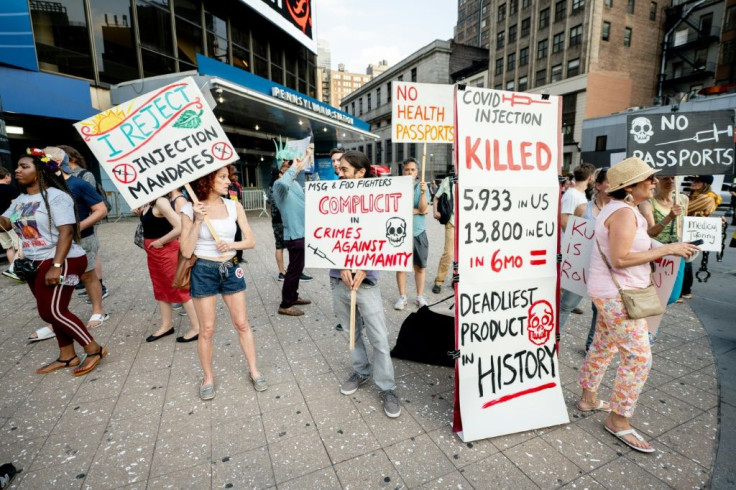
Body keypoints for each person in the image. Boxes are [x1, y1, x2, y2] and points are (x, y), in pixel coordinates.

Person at [577, 157, 699, 453]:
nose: (655, 182)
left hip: (610, 293)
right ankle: (618, 421)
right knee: (639, 358)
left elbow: (639, 244)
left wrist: (674, 248)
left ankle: (588, 398)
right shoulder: (624, 213)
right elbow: (620, 258)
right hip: (619, 294)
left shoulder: (623, 209)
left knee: (603, 346)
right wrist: (669, 247)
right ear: (630, 187)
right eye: (649, 179)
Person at [0, 149, 107, 376]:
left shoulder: (57, 197)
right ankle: (67, 355)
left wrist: (56, 266)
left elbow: (67, 231)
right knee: (49, 311)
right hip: (33, 261)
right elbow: (5, 225)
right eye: (17, 167)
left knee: (54, 311)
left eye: (24, 166)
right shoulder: (20, 200)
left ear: (40, 171)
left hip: (63, 259)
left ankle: (94, 349)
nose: (17, 170)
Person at [180, 166, 266, 400]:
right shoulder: (189, 209)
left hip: (230, 267)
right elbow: (186, 250)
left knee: (242, 324)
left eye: (228, 177)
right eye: (223, 177)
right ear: (207, 180)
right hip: (203, 270)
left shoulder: (233, 205)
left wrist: (231, 246)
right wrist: (197, 221)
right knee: (206, 329)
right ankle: (207, 377)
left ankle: (254, 370)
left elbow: (250, 241)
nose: (229, 182)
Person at [333, 150, 401, 418]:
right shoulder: (331, 197)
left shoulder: (379, 199)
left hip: (367, 281)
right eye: (339, 169)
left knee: (379, 338)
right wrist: (340, 267)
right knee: (351, 333)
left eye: (345, 169)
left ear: (361, 172)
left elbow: (387, 237)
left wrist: (365, 267)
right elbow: (324, 235)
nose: (339, 173)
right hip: (339, 279)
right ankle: (361, 371)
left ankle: (387, 387)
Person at [137, 192, 200, 343]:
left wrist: (161, 241)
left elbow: (180, 226)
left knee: (178, 287)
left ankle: (197, 327)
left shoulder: (160, 201)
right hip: (154, 253)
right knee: (160, 288)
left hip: (166, 252)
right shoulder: (149, 202)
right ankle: (166, 325)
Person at [559, 167, 610, 331]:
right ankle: (551, 342)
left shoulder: (619, 211)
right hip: (582, 267)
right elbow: (573, 235)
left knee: (600, 311)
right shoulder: (582, 208)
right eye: (610, 181)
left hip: (604, 268)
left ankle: (590, 347)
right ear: (598, 185)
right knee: (566, 304)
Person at [57, 145, 110, 301]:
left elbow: (92, 199)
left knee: (91, 255)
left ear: (71, 158)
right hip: (71, 226)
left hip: (86, 221)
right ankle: (87, 284)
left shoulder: (84, 176)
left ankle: (99, 286)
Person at [272, 146, 313, 316]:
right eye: (286, 167)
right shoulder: (279, 186)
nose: (292, 169)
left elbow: (296, 170)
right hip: (295, 235)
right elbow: (285, 180)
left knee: (297, 268)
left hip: (303, 233)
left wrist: (307, 155)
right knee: (294, 270)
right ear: (281, 170)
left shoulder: (295, 183)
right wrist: (293, 166)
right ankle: (286, 304)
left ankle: (293, 296)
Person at [639, 175, 689, 304]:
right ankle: (648, 320)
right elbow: (650, 232)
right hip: (657, 253)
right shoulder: (648, 203)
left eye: (673, 178)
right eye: (665, 178)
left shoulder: (683, 199)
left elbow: (685, 225)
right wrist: (669, 217)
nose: (670, 181)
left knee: (673, 296)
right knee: (654, 292)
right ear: (657, 181)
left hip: (678, 253)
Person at [394, 158, 430, 309]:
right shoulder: (398, 186)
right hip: (401, 233)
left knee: (420, 267)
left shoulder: (422, 187)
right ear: (403, 171)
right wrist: (416, 211)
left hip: (418, 232)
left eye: (413, 170)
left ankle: (419, 296)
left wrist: (422, 193)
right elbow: (396, 208)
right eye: (407, 169)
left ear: (417, 172)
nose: (410, 172)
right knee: (401, 266)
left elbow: (423, 209)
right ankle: (402, 297)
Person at [680, 174, 721, 300]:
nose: (693, 182)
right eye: (693, 180)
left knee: (686, 260)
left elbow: (685, 209)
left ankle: (684, 290)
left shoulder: (707, 198)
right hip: (687, 229)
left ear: (705, 184)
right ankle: (684, 290)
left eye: (697, 181)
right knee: (685, 259)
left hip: (694, 230)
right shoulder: (693, 195)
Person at [431, 174, 455, 294]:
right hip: (452, 222)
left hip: (467, 224)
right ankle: (439, 281)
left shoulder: (472, 179)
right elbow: (436, 197)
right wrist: (435, 211)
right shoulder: (448, 180)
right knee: (449, 253)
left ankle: (456, 280)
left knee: (464, 256)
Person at [0, 166, 21, 281]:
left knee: (8, 247)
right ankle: (14, 270)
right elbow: (16, 207)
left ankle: (14, 270)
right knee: (20, 246)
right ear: (7, 176)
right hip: (10, 221)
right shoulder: (11, 189)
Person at [561, 163, 595, 232]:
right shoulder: (572, 195)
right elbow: (564, 222)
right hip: (570, 241)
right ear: (590, 177)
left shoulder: (579, 194)